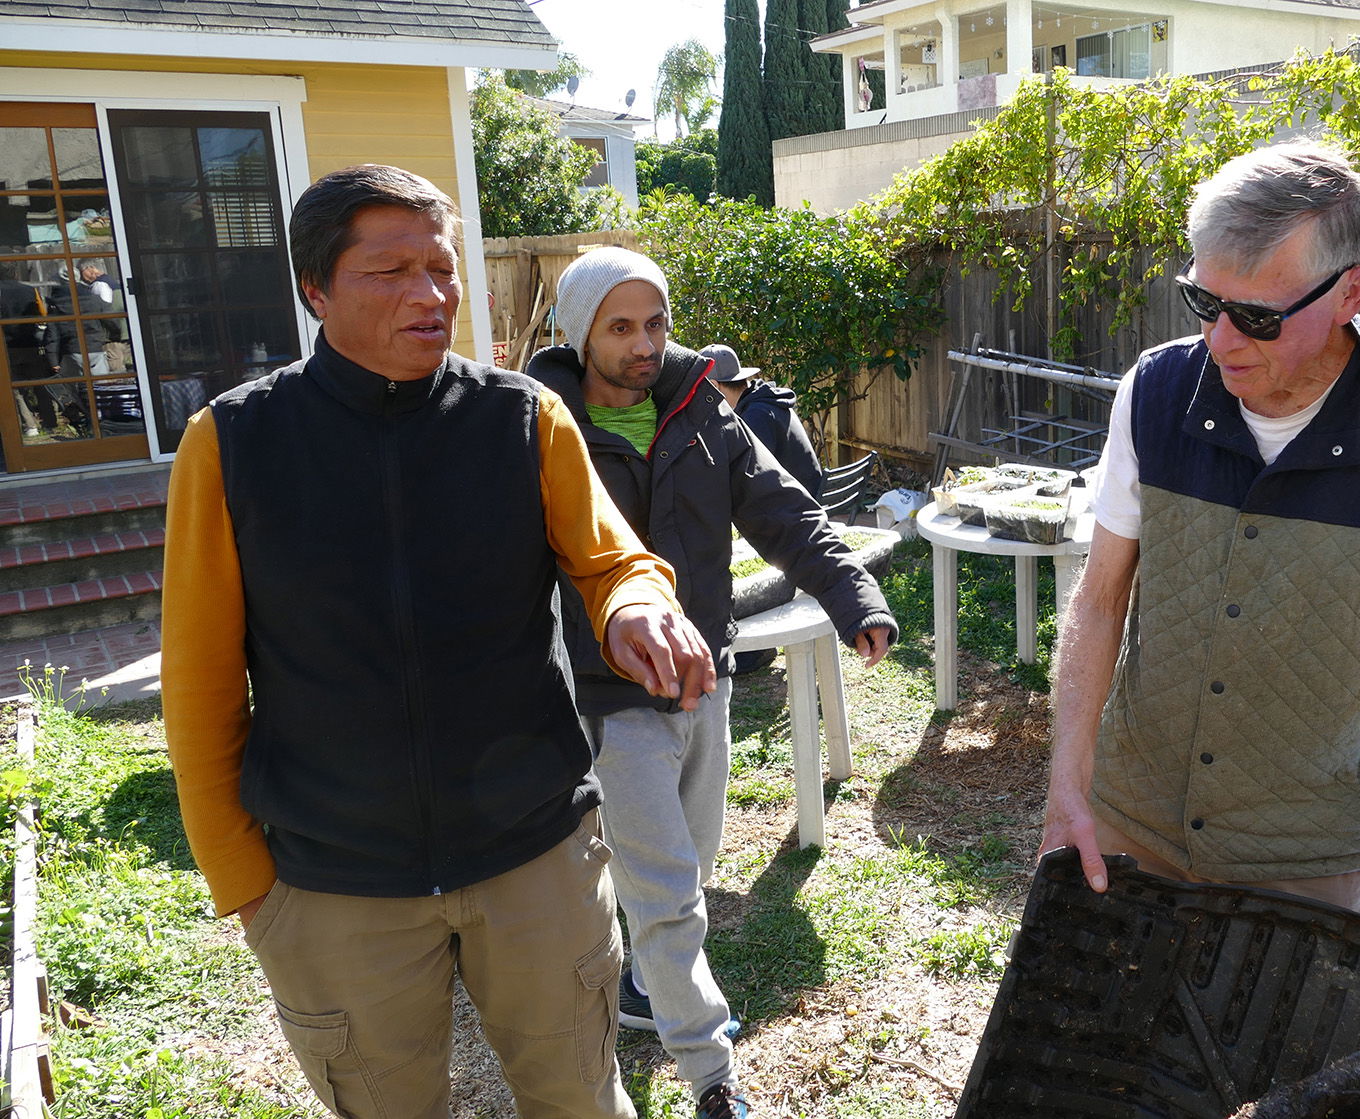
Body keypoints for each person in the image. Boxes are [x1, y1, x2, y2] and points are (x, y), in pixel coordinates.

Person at [162, 164, 716, 1119]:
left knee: (582, 1099)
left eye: (442, 266)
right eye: (389, 272)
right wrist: (248, 886)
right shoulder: (233, 443)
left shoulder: (523, 418)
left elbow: (609, 558)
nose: (430, 295)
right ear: (315, 289)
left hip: (534, 856)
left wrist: (634, 601)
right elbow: (200, 685)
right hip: (336, 883)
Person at [1037, 142, 1360, 1001]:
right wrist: (1068, 788)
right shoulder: (1155, 390)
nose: (1220, 340)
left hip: (1308, 861)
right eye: (1202, 302)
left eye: (1256, 317)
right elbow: (1101, 597)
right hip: (1128, 821)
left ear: (1353, 291)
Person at [526, 247, 897, 1119]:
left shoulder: (701, 413)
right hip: (607, 692)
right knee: (667, 894)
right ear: (582, 334)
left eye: (656, 322)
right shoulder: (543, 430)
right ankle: (711, 1073)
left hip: (706, 679)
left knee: (687, 862)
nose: (646, 343)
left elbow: (786, 513)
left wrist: (856, 598)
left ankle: (643, 979)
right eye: (622, 327)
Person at [702, 343, 825, 498]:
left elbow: (749, 477)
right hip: (804, 497)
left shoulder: (756, 415)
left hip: (795, 509)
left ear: (714, 386)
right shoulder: (766, 401)